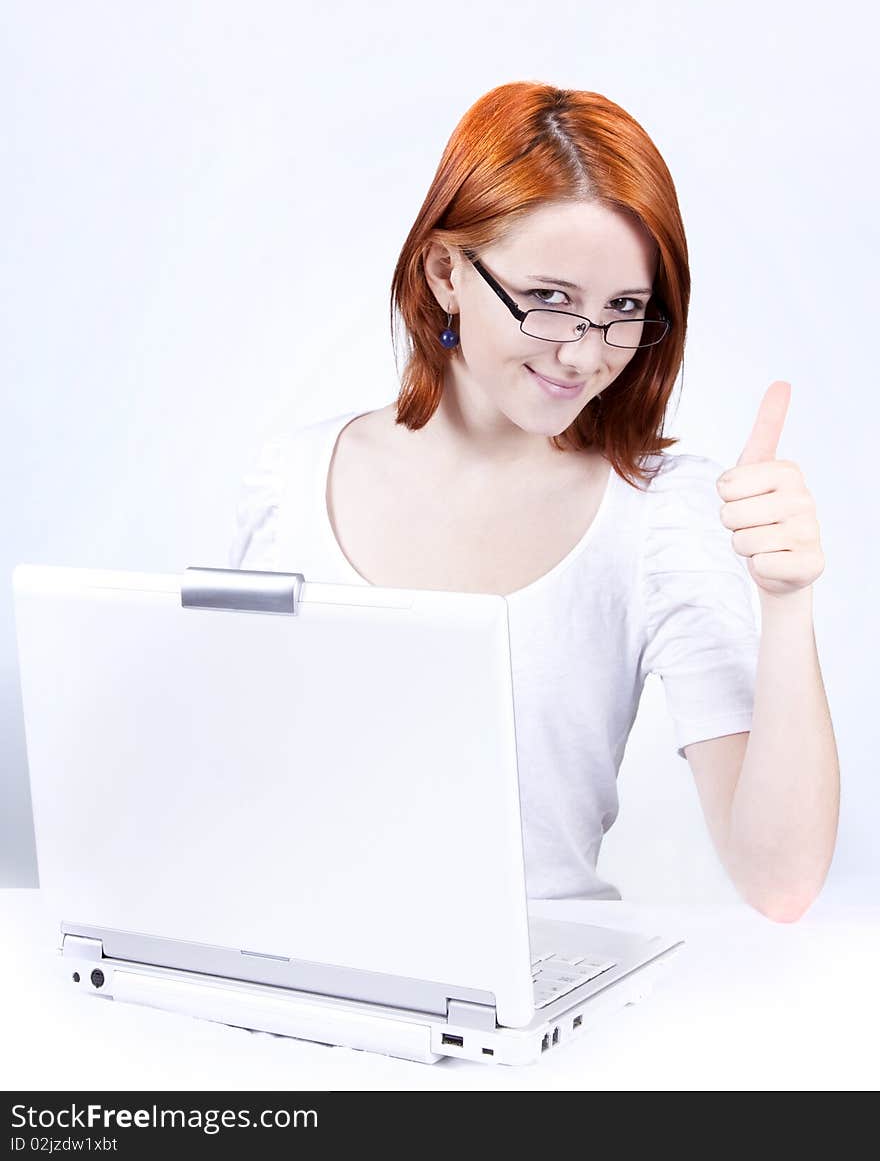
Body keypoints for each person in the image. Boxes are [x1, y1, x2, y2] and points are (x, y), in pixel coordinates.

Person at [227, 82, 837, 918]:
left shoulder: (656, 515)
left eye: (623, 309)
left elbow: (780, 880)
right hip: (298, 976)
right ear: (446, 271)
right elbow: (230, 789)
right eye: (550, 301)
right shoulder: (291, 482)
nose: (587, 355)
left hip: (534, 993)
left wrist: (788, 607)